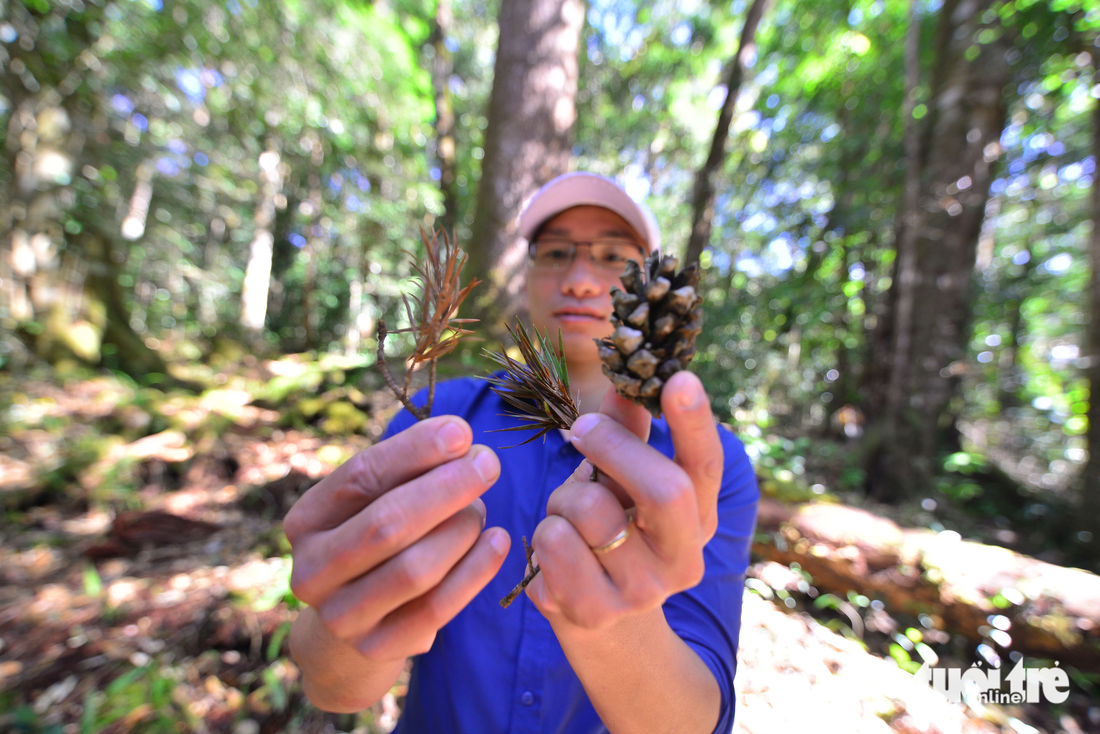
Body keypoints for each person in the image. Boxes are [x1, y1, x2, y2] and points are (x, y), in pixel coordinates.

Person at [285, 172, 760, 733]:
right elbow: (335, 688)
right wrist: (346, 628)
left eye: (611, 256)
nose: (581, 280)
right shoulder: (444, 418)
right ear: (527, 273)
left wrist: (606, 620)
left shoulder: (703, 468)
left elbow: (695, 720)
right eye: (556, 253)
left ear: (647, 285)